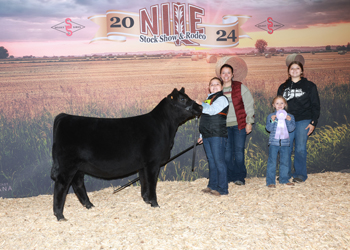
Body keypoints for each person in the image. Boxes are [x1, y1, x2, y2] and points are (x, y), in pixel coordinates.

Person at [277, 61, 320, 183]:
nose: (295, 70)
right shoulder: (283, 87)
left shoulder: (310, 86)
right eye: (292, 68)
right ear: (288, 71)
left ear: (301, 71)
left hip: (304, 120)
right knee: (286, 148)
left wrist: (313, 122)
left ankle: (300, 174)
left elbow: (316, 105)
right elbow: (278, 105)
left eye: (297, 68)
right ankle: (285, 174)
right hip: (286, 121)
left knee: (300, 148)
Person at [220, 64, 255, 185]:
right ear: (220, 75)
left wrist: (249, 122)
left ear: (232, 74)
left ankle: (240, 177)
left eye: (228, 72)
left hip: (239, 125)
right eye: (223, 73)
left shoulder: (240, 87)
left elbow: (249, 105)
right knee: (228, 154)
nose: (226, 75)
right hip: (224, 126)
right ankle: (230, 176)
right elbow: (209, 103)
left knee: (239, 153)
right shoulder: (217, 89)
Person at [197, 77, 229, 196]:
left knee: (219, 161)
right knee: (211, 161)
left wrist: (201, 104)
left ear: (221, 87)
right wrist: (202, 135)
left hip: (217, 134)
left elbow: (212, 111)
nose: (214, 86)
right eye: (212, 84)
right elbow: (205, 118)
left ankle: (222, 189)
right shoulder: (209, 99)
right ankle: (212, 185)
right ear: (209, 87)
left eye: (217, 84)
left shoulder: (222, 99)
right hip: (207, 134)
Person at [266, 96, 296, 188]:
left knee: (285, 161)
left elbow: (291, 129)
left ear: (285, 105)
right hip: (273, 143)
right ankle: (270, 182)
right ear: (273, 105)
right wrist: (272, 120)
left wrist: (289, 121)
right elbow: (268, 128)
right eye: (277, 103)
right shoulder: (271, 116)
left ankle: (284, 179)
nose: (279, 105)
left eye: (282, 103)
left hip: (285, 143)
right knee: (272, 162)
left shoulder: (290, 116)